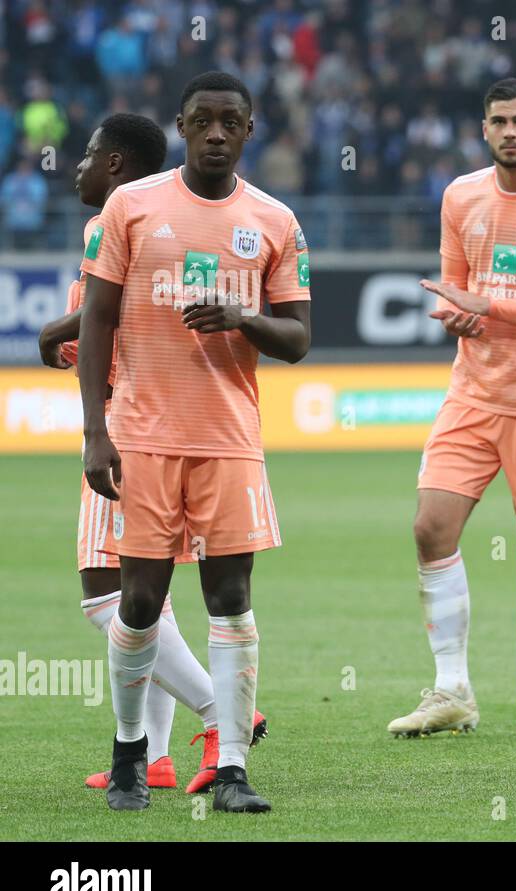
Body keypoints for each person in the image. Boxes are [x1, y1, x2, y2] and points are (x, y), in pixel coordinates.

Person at [78, 71, 311, 811]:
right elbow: (96, 322)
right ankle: (129, 755)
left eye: (230, 122)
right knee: (138, 602)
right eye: (202, 121)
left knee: (231, 597)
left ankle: (234, 767)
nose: (216, 133)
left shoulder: (276, 220)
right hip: (143, 437)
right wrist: (96, 432)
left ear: (249, 131)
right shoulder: (132, 206)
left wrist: (243, 318)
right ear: (181, 127)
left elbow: (300, 337)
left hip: (229, 441)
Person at [39, 113, 268, 795]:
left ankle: (221, 712)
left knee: (105, 594)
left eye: (87, 155)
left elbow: (114, 316)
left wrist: (58, 333)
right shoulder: (158, 216)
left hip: (133, 426)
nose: (77, 168)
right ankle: (156, 755)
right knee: (154, 595)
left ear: (115, 165)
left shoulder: (117, 218)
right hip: (174, 425)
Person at [386, 77, 516, 740]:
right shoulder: (460, 196)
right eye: (498, 121)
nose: (509, 132)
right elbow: (453, 288)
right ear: (484, 128)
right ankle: (453, 690)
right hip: (471, 394)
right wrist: (454, 315)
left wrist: (489, 309)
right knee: (430, 528)